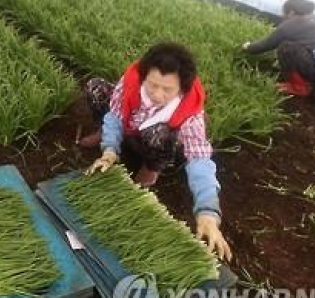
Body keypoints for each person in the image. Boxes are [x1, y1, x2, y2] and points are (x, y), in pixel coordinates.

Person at [84, 42, 232, 261]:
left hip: (158, 141)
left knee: (159, 134)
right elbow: (115, 114)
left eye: (167, 89)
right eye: (152, 85)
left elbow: (199, 159)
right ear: (144, 77)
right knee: (96, 88)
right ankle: (108, 137)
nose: (157, 94)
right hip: (133, 128)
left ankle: (151, 169)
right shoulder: (132, 80)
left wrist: (208, 212)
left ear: (181, 88)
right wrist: (109, 149)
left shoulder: (189, 112)